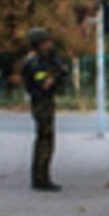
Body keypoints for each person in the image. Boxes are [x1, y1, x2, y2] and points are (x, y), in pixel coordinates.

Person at [21, 28, 67, 191]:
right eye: (46, 42)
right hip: (41, 102)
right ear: (38, 44)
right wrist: (56, 72)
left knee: (47, 139)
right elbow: (44, 83)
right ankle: (40, 178)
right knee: (44, 139)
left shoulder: (43, 59)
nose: (49, 45)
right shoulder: (34, 62)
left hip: (46, 101)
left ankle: (43, 176)